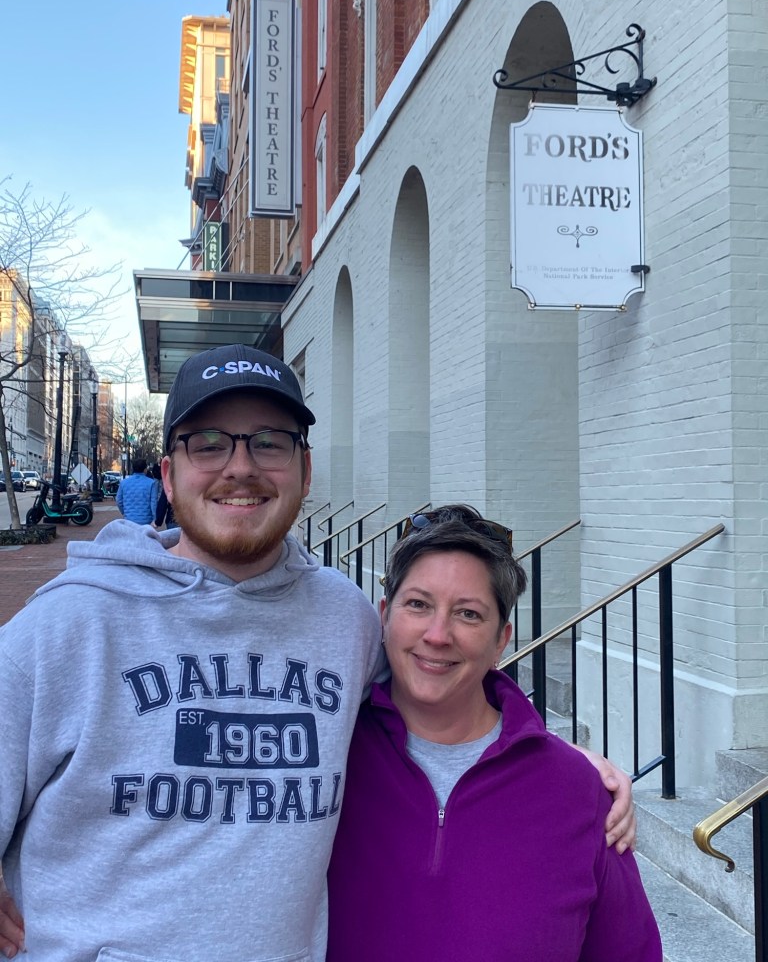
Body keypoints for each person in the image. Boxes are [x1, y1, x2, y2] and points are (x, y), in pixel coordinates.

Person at [0, 347, 634, 960]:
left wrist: (554, 759)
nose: (240, 467)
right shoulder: (65, 626)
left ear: (305, 472)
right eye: (209, 442)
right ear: (169, 473)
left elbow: (440, 689)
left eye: (269, 441)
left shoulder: (346, 617)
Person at [326, 505, 662, 961]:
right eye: (418, 605)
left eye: (467, 614)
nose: (438, 634)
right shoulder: (326, 756)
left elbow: (628, 951)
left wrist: (566, 765)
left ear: (501, 640)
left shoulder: (576, 792)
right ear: (385, 615)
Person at [115, 457, 159, 525]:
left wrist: (124, 512)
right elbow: (153, 503)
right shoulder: (151, 483)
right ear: (145, 469)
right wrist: (155, 518)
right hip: (146, 520)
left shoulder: (124, 483)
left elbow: (118, 500)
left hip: (129, 520)